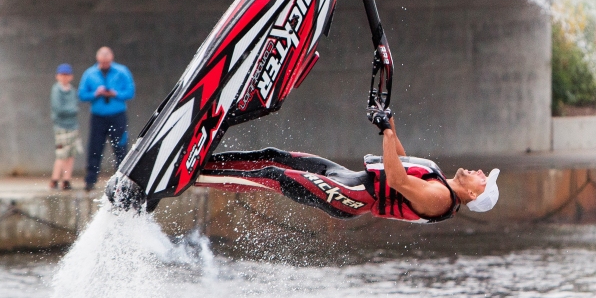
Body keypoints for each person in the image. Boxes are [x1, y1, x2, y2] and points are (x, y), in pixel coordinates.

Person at [197, 118, 500, 222]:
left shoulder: (440, 199)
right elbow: (402, 162)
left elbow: (395, 179)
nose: (481, 173)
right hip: (350, 178)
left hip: (351, 197)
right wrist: (388, 121)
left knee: (275, 177)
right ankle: (203, 161)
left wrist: (386, 134)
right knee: (275, 156)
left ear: (473, 195)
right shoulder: (437, 178)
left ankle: (192, 179)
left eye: (484, 181)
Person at [78, 47, 135, 191]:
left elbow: (130, 91)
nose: (104, 64)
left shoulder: (122, 71)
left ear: (111, 59)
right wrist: (95, 94)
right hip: (98, 116)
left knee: (120, 148)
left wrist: (116, 94)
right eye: (102, 62)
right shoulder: (89, 74)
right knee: (95, 148)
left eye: (107, 62)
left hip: (117, 115)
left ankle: (122, 180)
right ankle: (90, 180)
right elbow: (82, 94)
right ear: (98, 60)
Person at [50, 63, 81, 191]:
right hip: (61, 126)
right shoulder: (56, 90)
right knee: (61, 154)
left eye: (67, 75)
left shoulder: (72, 90)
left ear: (71, 77)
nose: (64, 78)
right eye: (62, 75)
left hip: (73, 125)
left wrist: (72, 110)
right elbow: (59, 109)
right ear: (57, 76)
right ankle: (54, 179)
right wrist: (72, 110)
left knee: (71, 154)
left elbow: (74, 107)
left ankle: (66, 180)